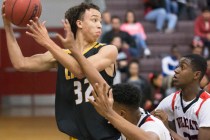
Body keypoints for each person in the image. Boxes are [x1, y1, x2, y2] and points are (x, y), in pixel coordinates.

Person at [2, 1, 120, 139]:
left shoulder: (108, 50)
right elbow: (20, 63)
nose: (100, 24)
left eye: (100, 20)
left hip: (105, 134)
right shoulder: (61, 55)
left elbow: (80, 71)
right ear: (79, 23)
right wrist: (7, 25)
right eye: (94, 20)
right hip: (77, 135)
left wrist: (47, 42)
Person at [56, 20, 172, 140]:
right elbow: (99, 82)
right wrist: (74, 51)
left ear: (121, 114)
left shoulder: (151, 126)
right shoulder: (132, 115)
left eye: (112, 110)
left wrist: (108, 113)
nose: (106, 119)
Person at [154, 54, 210, 140]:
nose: (176, 70)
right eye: (177, 66)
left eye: (182, 67)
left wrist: (168, 129)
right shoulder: (173, 99)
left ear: (196, 75)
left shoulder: (206, 104)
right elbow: (149, 118)